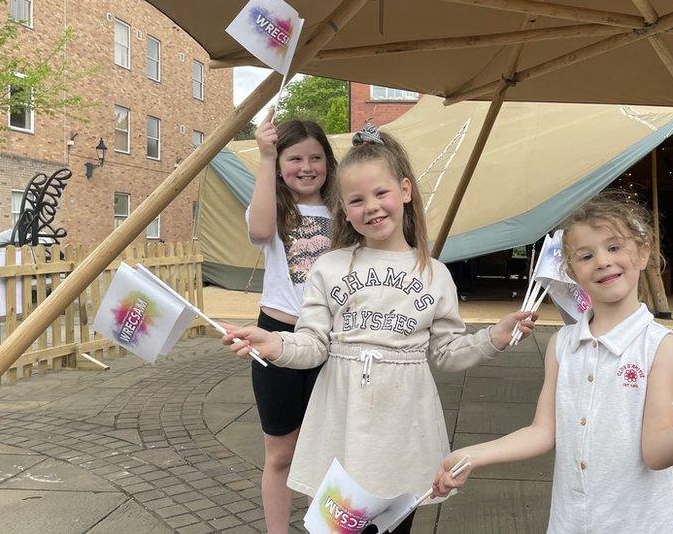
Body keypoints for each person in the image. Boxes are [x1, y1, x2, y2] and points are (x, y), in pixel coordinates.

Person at [223, 125, 537, 534]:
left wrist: (493, 338)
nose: (371, 207)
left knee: (395, 523)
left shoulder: (435, 274)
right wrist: (276, 343)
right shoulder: (330, 266)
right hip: (342, 422)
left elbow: (447, 352)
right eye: (356, 200)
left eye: (380, 193)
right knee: (339, 526)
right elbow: (313, 344)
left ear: (405, 190)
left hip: (404, 427)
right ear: (344, 208)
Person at [431, 191, 673, 533]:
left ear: (643, 253)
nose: (602, 261)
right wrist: (470, 455)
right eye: (585, 256)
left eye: (614, 247)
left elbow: (656, 452)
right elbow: (541, 432)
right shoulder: (561, 344)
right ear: (571, 271)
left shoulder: (659, 345)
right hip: (570, 523)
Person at [244, 108, 338, 534]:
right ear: (281, 167)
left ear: (328, 163)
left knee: (329, 452)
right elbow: (261, 230)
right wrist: (264, 157)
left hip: (332, 340)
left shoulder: (343, 212)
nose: (306, 167)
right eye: (294, 158)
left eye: (315, 157)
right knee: (281, 453)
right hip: (277, 336)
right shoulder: (273, 207)